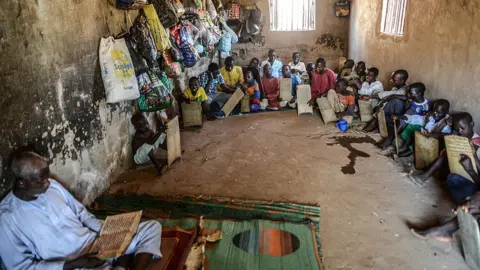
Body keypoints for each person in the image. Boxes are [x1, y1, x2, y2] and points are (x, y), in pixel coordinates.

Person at [0, 152, 162, 270]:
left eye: (47, 178)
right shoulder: (7, 218)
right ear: (21, 183)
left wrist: (107, 230)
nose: (48, 183)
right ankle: (121, 262)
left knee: (152, 228)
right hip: (72, 263)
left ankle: (122, 262)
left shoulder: (53, 186)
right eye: (41, 180)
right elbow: (20, 267)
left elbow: (82, 214)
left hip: (96, 244)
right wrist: (75, 264)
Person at [410, 113, 480, 192]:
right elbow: (445, 135)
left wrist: (473, 159)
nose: (459, 132)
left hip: (472, 176)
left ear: (472, 124)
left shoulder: (478, 142)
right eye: (457, 129)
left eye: (462, 128)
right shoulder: (459, 136)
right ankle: (425, 176)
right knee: (444, 154)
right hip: (457, 170)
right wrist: (433, 134)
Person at [392, 82, 430, 156]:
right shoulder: (412, 101)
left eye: (411, 93)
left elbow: (423, 118)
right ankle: (396, 139)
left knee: (410, 131)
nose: (409, 95)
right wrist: (408, 102)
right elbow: (406, 108)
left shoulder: (425, 105)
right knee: (403, 123)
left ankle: (403, 146)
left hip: (416, 121)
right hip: (410, 118)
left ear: (419, 93)